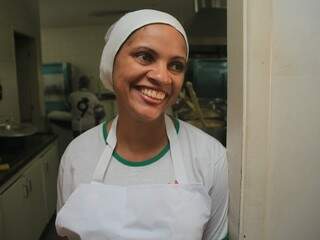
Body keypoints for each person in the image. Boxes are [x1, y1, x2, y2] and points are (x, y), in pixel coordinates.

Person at [56, 9, 228, 240]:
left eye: (176, 65)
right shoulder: (77, 156)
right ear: (111, 63)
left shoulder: (211, 157)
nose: (163, 77)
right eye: (145, 56)